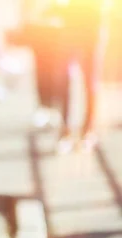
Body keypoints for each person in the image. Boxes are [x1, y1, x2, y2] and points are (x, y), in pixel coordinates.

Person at [49, 0, 111, 153]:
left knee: (90, 81)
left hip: (92, 23)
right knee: (65, 79)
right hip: (70, 23)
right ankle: (66, 130)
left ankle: (88, 130)